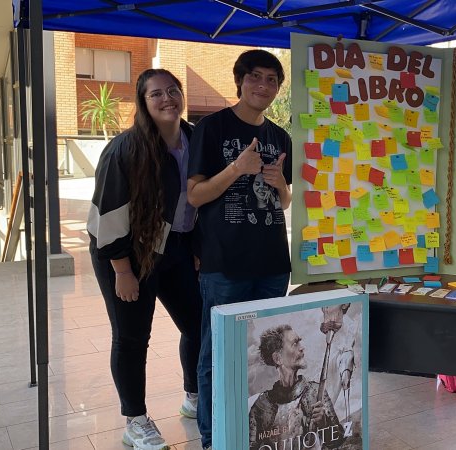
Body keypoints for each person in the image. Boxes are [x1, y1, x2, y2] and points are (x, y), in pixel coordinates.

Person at [87, 68, 202, 450]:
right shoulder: (126, 149)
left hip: (175, 248)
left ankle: (194, 397)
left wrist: (196, 249)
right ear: (143, 102)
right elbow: (106, 217)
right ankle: (135, 420)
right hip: (127, 253)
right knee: (133, 338)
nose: (168, 99)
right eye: (157, 94)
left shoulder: (192, 139)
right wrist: (122, 271)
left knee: (198, 325)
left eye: (173, 91)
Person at [187, 49, 292, 450]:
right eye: (256, 77)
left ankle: (254, 434)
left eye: (271, 80)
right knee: (217, 355)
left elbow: (283, 201)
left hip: (271, 264)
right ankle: (214, 439)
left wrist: (279, 182)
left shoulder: (280, 137)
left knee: (265, 356)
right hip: (224, 264)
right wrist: (236, 170)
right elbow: (195, 196)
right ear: (240, 80)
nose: (263, 86)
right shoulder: (210, 129)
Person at [249, 325, 345, 449]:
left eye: (299, 342)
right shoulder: (261, 405)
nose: (302, 348)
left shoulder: (315, 392)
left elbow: (337, 441)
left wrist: (324, 423)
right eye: (295, 344)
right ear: (277, 358)